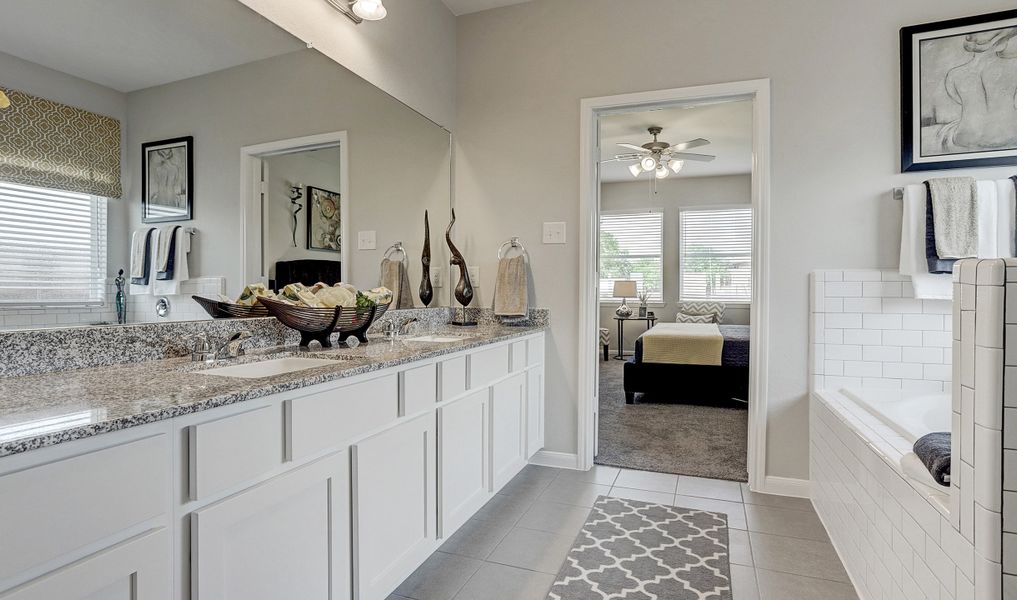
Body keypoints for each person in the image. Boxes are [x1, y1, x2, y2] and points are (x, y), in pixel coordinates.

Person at [935, 27, 1017, 153]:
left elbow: (958, 100)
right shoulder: (1013, 67)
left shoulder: (954, 74)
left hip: (965, 138)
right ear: (1000, 44)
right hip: (1008, 136)